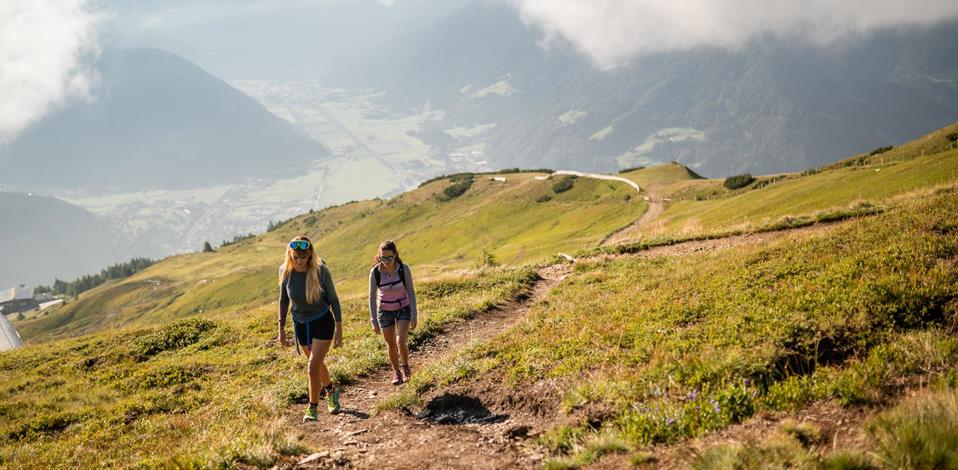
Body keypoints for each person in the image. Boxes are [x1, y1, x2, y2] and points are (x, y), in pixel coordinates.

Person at [278, 236, 343, 421]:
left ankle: (312, 408)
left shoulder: (321, 270)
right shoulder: (285, 271)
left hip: (322, 322)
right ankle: (331, 391)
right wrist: (281, 327)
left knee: (312, 366)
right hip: (300, 325)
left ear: (309, 255)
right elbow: (283, 300)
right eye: (295, 257)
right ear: (290, 254)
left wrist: (339, 328)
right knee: (316, 364)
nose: (299, 262)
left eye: (303, 258)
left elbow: (334, 300)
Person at [368, 240, 418, 385]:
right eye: (383, 258)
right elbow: (372, 296)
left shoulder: (404, 269)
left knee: (400, 341)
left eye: (389, 258)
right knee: (390, 344)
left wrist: (414, 314)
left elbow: (410, 291)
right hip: (384, 312)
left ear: (395, 255)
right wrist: (373, 320)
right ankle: (396, 373)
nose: (386, 261)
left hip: (403, 308)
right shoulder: (375, 272)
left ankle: (405, 366)